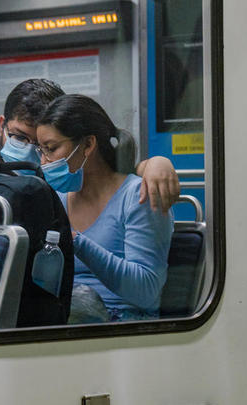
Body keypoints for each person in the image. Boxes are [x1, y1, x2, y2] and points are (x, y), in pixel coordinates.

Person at [0, 78, 181, 223]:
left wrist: (153, 164)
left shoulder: (61, 180)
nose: (31, 153)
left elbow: (110, 179)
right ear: (2, 126)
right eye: (19, 138)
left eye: (44, 146)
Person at [36, 94, 173, 321]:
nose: (44, 162)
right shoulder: (58, 199)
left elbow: (146, 291)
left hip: (121, 325)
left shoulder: (138, 196)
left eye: (51, 148)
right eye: (41, 151)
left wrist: (76, 242)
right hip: (69, 319)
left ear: (88, 144)